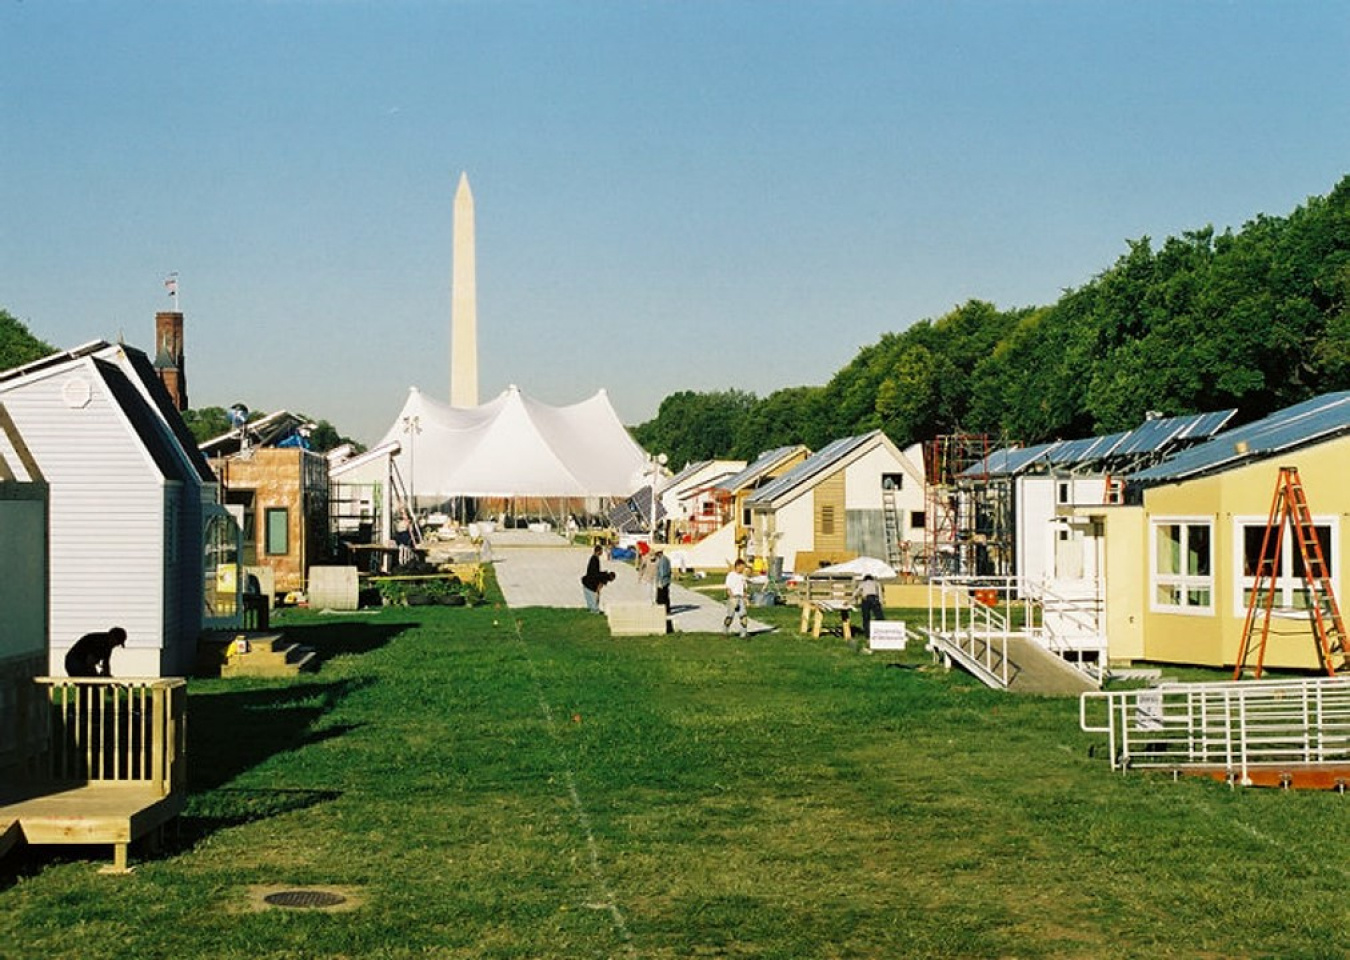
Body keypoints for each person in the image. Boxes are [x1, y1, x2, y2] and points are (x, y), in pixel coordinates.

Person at [723, 558, 749, 637]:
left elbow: (744, 589)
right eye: (742, 567)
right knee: (730, 617)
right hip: (733, 598)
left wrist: (746, 599)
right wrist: (732, 598)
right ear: (738, 566)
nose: (743, 569)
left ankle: (743, 634)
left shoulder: (743, 577)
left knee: (743, 616)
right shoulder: (731, 575)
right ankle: (725, 631)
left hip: (740, 598)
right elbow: (728, 588)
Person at [581, 544, 607, 614]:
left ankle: (595, 609)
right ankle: (595, 610)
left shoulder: (595, 559)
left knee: (593, 599)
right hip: (590, 583)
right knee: (593, 598)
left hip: (590, 582)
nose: (602, 553)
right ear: (598, 551)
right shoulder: (594, 559)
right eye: (601, 551)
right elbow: (594, 573)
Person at [654, 549, 673, 632]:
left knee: (661, 596)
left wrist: (660, 582)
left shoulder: (662, 560)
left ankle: (662, 610)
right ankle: (667, 609)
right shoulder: (666, 559)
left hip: (663, 581)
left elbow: (662, 572)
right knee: (666, 596)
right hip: (666, 581)